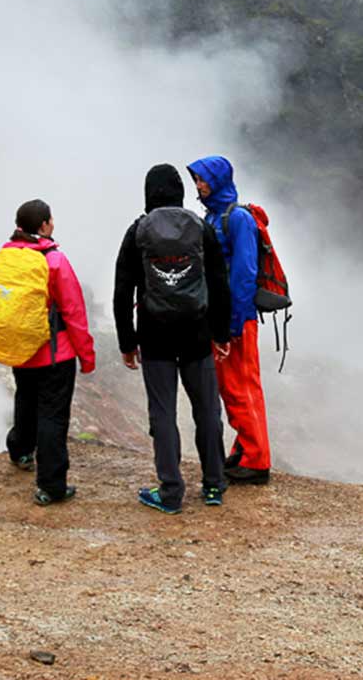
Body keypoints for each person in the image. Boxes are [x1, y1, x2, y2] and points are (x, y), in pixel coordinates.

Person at [113, 165, 231, 513]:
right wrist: (221, 332)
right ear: (179, 191)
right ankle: (214, 485)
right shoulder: (200, 228)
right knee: (207, 410)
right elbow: (219, 283)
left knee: (163, 414)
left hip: (155, 337)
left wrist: (126, 342)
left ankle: (170, 492)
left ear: (149, 193)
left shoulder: (138, 231)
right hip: (197, 333)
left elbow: (122, 290)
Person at [2, 199, 97, 506]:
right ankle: (51, 485)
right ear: (43, 225)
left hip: (21, 347)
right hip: (55, 354)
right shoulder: (54, 260)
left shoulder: (7, 256)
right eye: (50, 219)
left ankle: (19, 451)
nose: (53, 223)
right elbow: (73, 311)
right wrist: (87, 355)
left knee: (25, 400)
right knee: (53, 415)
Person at [186, 156, 271, 484]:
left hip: (237, 320)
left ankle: (257, 461)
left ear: (219, 179)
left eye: (203, 179)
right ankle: (246, 449)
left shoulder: (237, 219)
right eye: (196, 180)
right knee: (232, 386)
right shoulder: (214, 215)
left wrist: (232, 324)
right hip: (221, 318)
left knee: (242, 386)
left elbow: (244, 274)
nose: (199, 185)